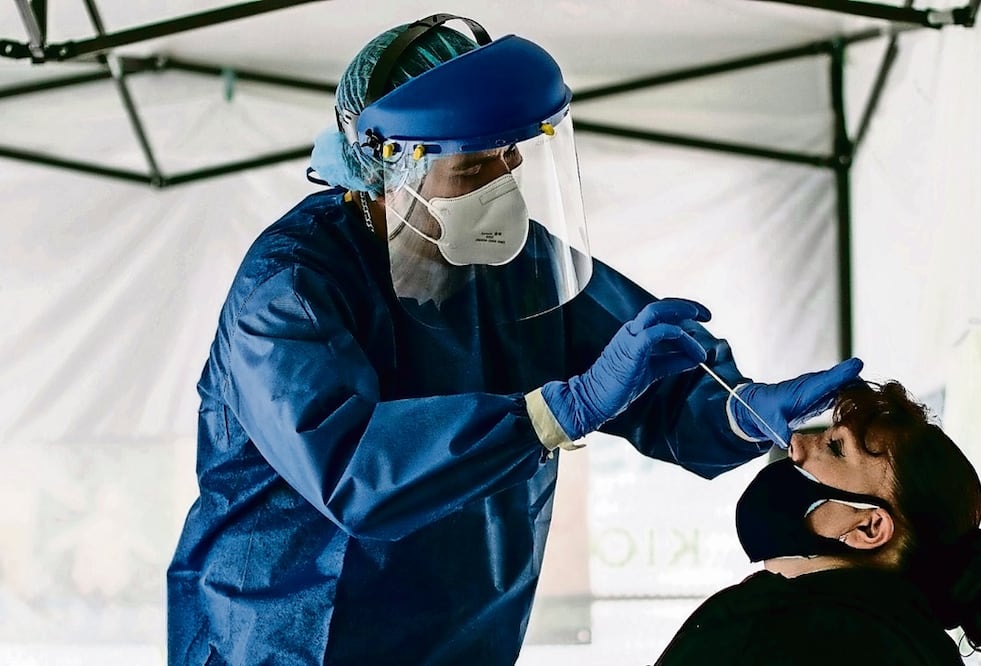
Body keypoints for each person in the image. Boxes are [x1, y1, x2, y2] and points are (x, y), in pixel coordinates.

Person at [165, 13, 863, 665]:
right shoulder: (290, 290)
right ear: (387, 171)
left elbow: (655, 379)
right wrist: (554, 411)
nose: (502, 186)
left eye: (507, 158)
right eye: (471, 169)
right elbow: (355, 474)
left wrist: (733, 410)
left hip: (469, 632)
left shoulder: (516, 264)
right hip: (292, 635)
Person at [655, 381, 981, 665]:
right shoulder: (888, 636)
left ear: (869, 528)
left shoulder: (804, 633)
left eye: (836, 449)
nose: (795, 443)